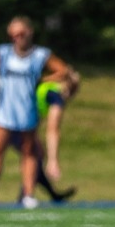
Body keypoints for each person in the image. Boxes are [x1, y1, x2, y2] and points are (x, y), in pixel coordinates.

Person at [0, 16, 70, 210]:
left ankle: (28, 195)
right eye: (13, 34)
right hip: (4, 112)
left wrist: (44, 80)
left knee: (30, 154)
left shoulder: (40, 55)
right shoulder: (3, 53)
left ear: (29, 32)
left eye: (21, 33)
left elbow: (63, 71)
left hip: (27, 111)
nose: (17, 37)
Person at [33, 67, 80, 203]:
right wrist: (53, 160)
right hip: (16, 125)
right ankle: (27, 196)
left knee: (35, 158)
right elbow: (53, 129)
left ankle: (49, 195)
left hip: (11, 122)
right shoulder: (56, 95)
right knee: (34, 158)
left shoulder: (46, 86)